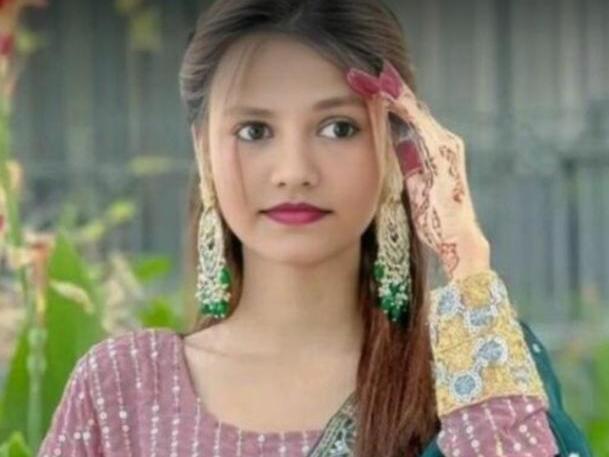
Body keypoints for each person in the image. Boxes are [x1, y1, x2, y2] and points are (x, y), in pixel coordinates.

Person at [38, 1, 585, 456]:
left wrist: (465, 257)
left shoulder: (468, 365)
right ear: (202, 148)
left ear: (398, 141)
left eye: (338, 128)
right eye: (254, 131)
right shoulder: (122, 388)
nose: (294, 171)